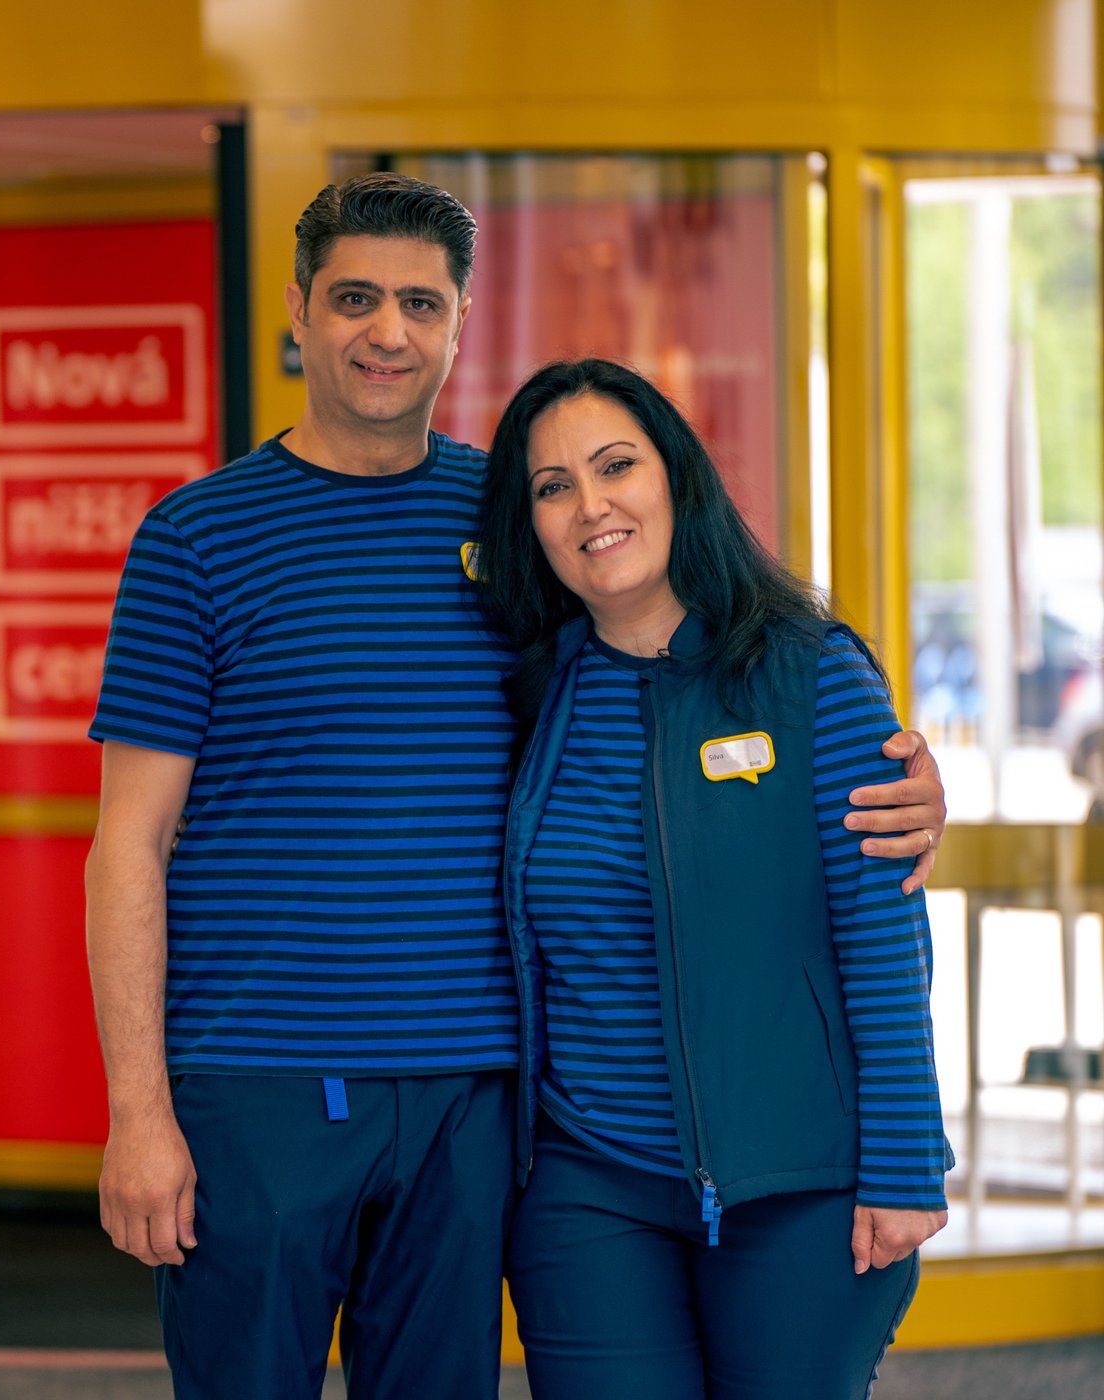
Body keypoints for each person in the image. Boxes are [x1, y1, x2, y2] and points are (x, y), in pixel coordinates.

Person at [84, 175, 947, 1400]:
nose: (387, 331)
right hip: (259, 1085)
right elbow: (130, 839)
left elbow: (679, 707)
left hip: (475, 1098)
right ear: (297, 310)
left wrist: (898, 780)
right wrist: (138, 1110)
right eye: (355, 298)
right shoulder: (195, 539)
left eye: (419, 304)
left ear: (458, 322)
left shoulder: (512, 527)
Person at [475, 357, 951, 1400]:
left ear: (676, 477)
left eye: (614, 465)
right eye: (551, 486)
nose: (589, 504)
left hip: (800, 1179)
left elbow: (880, 934)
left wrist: (905, 1160)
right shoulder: (528, 691)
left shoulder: (807, 671)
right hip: (585, 1179)